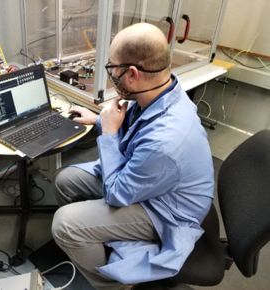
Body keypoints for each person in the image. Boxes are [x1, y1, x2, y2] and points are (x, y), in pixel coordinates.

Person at [51, 23, 214, 290]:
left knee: (65, 224)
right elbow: (138, 131)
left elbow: (117, 193)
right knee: (65, 179)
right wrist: (99, 121)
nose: (112, 75)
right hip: (153, 181)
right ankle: (93, 241)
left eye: (113, 68)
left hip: (166, 211)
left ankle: (114, 285)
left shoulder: (165, 140)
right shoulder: (162, 91)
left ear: (133, 73)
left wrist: (109, 134)